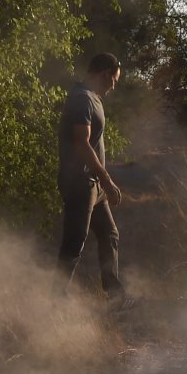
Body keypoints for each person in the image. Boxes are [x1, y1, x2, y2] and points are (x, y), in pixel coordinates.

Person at [57, 52, 127, 304]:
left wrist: (101, 183)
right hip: (79, 182)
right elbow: (81, 144)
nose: (114, 85)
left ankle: (115, 296)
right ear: (105, 73)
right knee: (74, 243)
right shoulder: (82, 99)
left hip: (92, 184)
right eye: (114, 80)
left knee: (109, 234)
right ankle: (54, 303)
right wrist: (107, 180)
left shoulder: (93, 98)